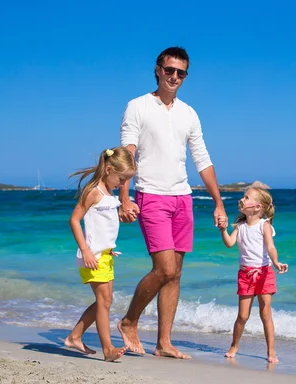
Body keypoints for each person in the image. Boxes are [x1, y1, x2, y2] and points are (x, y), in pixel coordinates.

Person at [117, 46, 227, 360]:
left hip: (183, 198)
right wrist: (124, 198)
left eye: (181, 73)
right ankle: (129, 321)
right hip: (150, 195)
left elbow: (203, 160)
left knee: (176, 273)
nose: (174, 77)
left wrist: (218, 203)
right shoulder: (137, 106)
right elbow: (129, 153)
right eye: (169, 70)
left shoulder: (189, 113)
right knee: (163, 268)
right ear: (158, 69)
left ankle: (164, 342)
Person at [64, 147, 136, 362]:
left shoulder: (109, 193)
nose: (122, 184)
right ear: (108, 169)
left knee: (104, 301)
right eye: (121, 179)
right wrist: (86, 250)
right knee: (104, 302)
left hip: (105, 255)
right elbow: (74, 220)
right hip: (92, 256)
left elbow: (104, 224)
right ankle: (108, 350)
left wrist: (108, 246)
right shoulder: (93, 190)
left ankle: (75, 337)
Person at [217, 187, 288, 363]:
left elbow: (271, 247)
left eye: (246, 197)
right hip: (245, 274)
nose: (242, 199)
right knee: (242, 316)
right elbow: (229, 243)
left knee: (266, 315)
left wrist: (277, 262)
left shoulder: (264, 225)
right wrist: (223, 230)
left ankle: (271, 351)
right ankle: (234, 345)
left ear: (257, 207)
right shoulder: (240, 226)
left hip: (264, 273)